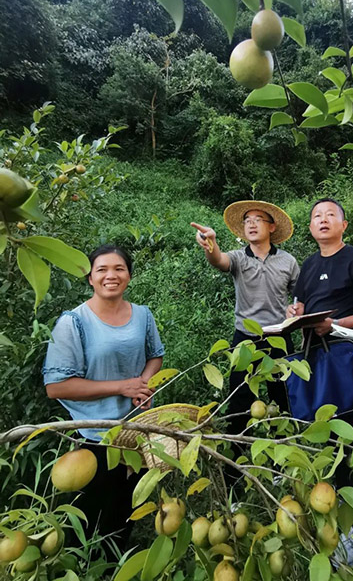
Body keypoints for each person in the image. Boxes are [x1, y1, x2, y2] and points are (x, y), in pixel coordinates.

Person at [43, 244, 164, 550]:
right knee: (86, 516)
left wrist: (143, 385)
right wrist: (123, 386)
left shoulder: (142, 315)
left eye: (119, 269)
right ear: (91, 278)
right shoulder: (74, 322)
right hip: (94, 435)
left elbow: (155, 356)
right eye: (102, 269)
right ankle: (79, 563)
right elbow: (56, 386)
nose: (111, 275)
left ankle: (114, 564)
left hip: (136, 433)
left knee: (125, 512)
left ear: (129, 276)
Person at [191, 201, 299, 432]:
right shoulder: (238, 258)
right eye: (247, 220)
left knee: (284, 398)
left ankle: (284, 453)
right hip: (245, 339)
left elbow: (298, 295)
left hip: (279, 338)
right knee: (240, 400)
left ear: (271, 227)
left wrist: (295, 308)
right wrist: (210, 244)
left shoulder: (288, 261)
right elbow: (219, 260)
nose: (251, 224)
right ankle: (237, 458)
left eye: (258, 219)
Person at [288, 197, 353, 450]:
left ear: (344, 225)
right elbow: (300, 305)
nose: (323, 219)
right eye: (317, 216)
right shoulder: (308, 265)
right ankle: (336, 483)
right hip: (312, 354)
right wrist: (295, 312)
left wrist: (335, 324)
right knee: (323, 428)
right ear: (310, 227)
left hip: (345, 354)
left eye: (330, 215)